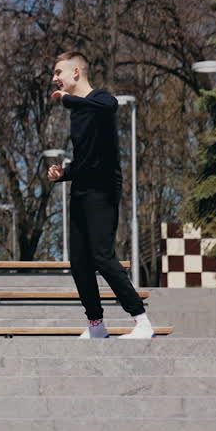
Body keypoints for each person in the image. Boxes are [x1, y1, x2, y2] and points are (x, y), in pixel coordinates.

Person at [48, 51, 155, 339]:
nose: (55, 79)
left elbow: (107, 106)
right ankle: (96, 324)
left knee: (102, 256)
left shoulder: (101, 99)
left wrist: (65, 99)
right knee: (79, 262)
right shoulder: (79, 112)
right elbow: (88, 158)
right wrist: (65, 173)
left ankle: (141, 321)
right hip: (82, 188)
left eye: (59, 72)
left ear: (76, 73)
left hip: (103, 188)